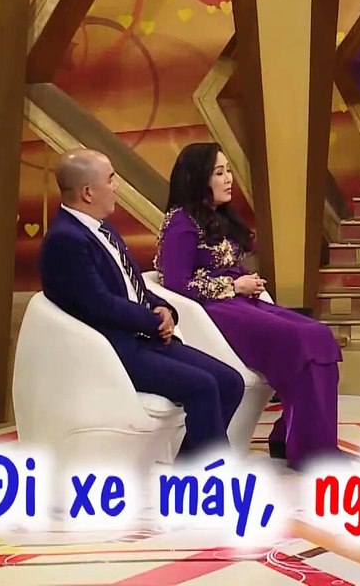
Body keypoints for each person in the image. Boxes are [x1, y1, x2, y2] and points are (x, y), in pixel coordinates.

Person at [39, 149, 244, 460]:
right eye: (111, 180)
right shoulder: (65, 241)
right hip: (113, 351)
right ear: (88, 192)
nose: (117, 187)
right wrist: (153, 320)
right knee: (202, 386)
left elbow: (132, 284)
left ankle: (188, 473)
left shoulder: (101, 228)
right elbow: (100, 305)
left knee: (230, 382)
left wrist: (164, 308)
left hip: (143, 338)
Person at [154, 143, 345, 471]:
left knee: (319, 335)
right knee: (301, 339)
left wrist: (247, 281)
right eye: (219, 173)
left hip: (243, 302)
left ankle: (302, 440)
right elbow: (175, 283)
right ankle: (309, 449)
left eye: (228, 171)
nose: (229, 179)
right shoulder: (180, 222)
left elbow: (226, 264)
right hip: (215, 311)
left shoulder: (217, 216)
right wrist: (233, 286)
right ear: (197, 178)